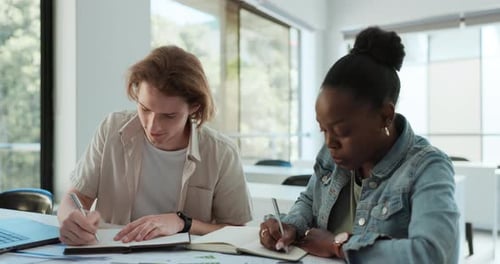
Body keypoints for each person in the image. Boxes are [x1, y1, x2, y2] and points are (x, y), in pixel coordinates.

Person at [259, 27, 459, 263]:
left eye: (342, 131)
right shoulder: (333, 154)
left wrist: (339, 246)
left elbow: (434, 254)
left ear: (385, 116)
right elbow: (311, 200)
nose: (330, 143)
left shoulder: (428, 167)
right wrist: (290, 226)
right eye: (323, 130)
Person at [58, 45, 252, 245]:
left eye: (169, 116)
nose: (153, 126)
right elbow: (75, 197)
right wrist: (71, 220)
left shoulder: (221, 153)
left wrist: (182, 223)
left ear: (194, 107)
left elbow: (237, 231)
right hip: (111, 254)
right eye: (145, 108)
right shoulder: (112, 129)